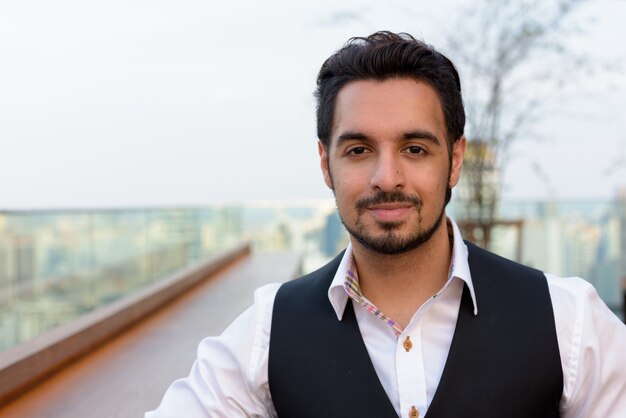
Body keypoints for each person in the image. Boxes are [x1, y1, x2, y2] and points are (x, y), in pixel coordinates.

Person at [145, 31, 626, 418]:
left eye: (414, 149)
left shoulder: (569, 319)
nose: (386, 178)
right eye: (358, 150)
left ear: (455, 159)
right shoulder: (265, 333)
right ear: (324, 162)